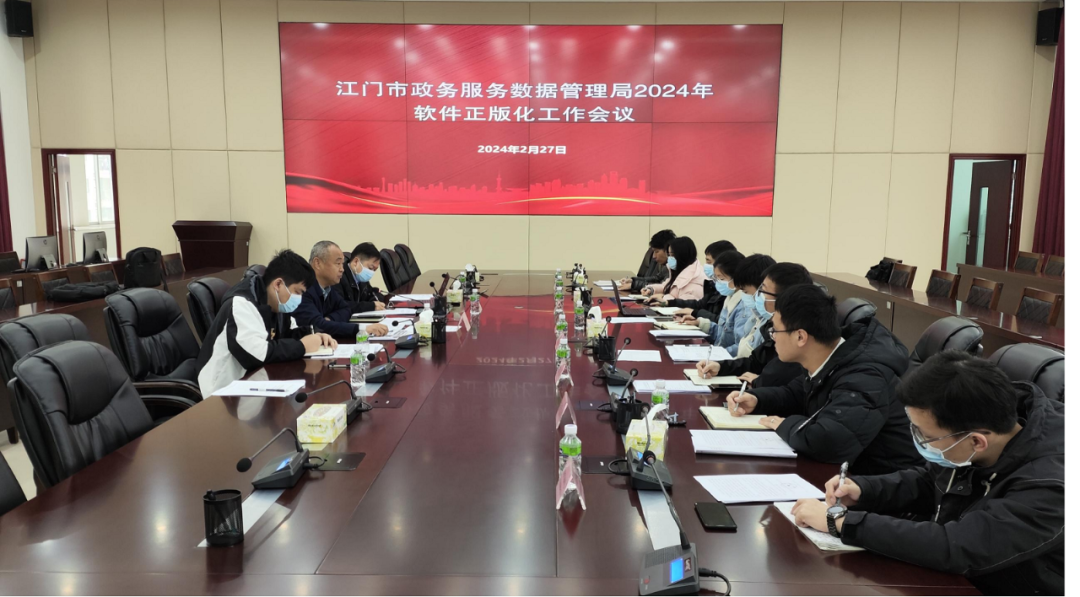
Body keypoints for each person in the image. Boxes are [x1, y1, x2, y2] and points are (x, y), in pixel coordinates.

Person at [791, 351, 1064, 595]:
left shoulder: (1052, 484)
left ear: (977, 442)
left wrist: (840, 522)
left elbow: (959, 547)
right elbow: (931, 480)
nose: (918, 441)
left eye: (926, 435)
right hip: (956, 578)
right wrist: (865, 490)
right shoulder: (982, 423)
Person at [726, 284, 921, 475]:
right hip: (845, 477)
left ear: (800, 337)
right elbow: (794, 393)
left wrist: (784, 425)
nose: (773, 337)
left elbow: (830, 443)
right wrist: (757, 399)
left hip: (882, 484)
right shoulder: (828, 358)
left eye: (775, 331)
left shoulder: (865, 375)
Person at [196, 249, 337, 398]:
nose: (299, 298)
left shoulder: (276, 302)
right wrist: (302, 346)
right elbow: (256, 355)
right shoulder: (241, 303)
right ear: (278, 284)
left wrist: (313, 334)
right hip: (221, 392)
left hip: (254, 384)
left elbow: (287, 334)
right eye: (298, 292)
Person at [696, 262, 812, 389]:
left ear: (784, 298)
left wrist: (759, 381)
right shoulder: (770, 325)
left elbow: (780, 380)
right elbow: (755, 361)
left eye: (763, 291)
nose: (758, 295)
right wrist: (720, 367)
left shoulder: (795, 334)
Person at [293, 241, 389, 340]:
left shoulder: (328, 288)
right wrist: (362, 329)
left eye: (342, 264)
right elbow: (316, 326)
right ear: (317, 263)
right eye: (338, 263)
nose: (342, 269)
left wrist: (329, 319)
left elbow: (346, 309)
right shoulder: (302, 290)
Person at [697, 253, 774, 357]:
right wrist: (701, 324)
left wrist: (716, 355)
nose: (743, 295)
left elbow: (743, 351)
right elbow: (724, 334)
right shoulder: (735, 302)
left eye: (745, 291)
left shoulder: (748, 309)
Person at [654, 240, 736, 322]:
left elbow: (720, 321)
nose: (705, 265)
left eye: (709, 261)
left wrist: (695, 313)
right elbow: (700, 304)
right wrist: (668, 302)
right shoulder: (713, 285)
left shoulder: (727, 289)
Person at [640, 236, 705, 302]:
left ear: (682, 255)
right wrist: (651, 289)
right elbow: (666, 287)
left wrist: (663, 297)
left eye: (672, 255)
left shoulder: (695, 281)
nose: (669, 258)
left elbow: (682, 304)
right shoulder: (678, 273)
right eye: (668, 255)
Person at [338, 242, 385, 313]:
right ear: (356, 262)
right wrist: (371, 306)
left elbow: (372, 293)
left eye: (374, 270)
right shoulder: (338, 277)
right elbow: (340, 305)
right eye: (370, 268)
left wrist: (376, 301)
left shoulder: (360, 277)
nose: (371, 272)